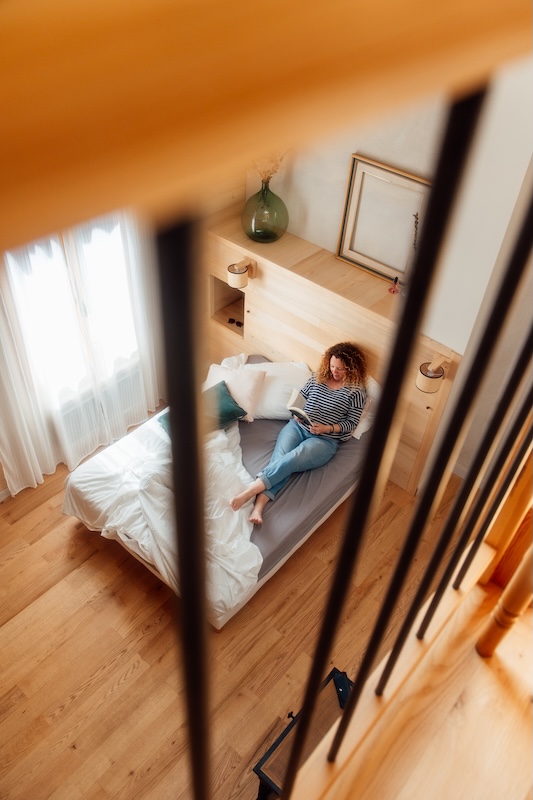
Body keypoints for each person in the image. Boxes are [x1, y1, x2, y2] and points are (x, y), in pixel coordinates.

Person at [230, 342, 367, 524]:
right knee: (280, 458)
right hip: (298, 427)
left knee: (293, 458)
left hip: (324, 440)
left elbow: (351, 423)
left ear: (352, 368)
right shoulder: (318, 377)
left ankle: (250, 492)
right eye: (332, 366)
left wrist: (326, 428)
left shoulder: (356, 391)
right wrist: (296, 413)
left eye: (341, 369)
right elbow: (302, 396)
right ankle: (258, 507)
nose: (334, 371)